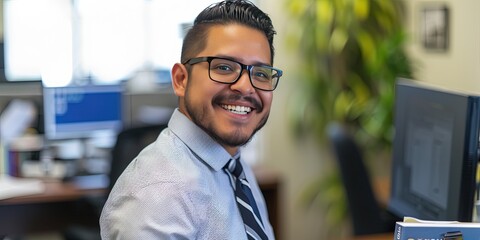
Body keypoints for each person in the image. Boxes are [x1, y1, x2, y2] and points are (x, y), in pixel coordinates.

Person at [99, 0, 282, 239]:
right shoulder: (157, 197)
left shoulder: (233, 165)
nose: (246, 87)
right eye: (224, 67)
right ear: (180, 80)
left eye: (260, 73)